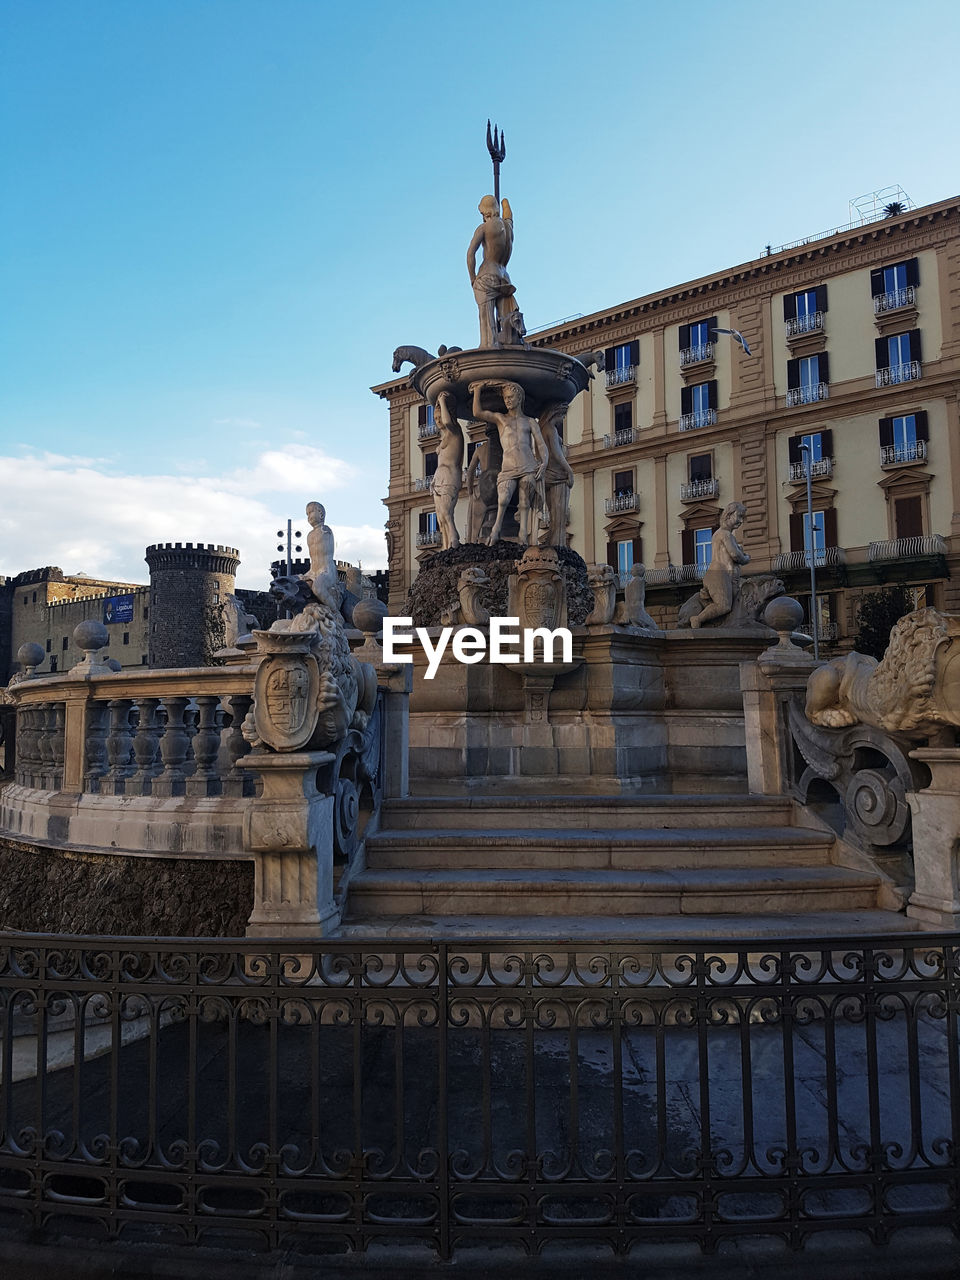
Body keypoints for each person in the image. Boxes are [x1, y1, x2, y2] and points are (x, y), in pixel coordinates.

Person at [470, 381, 546, 546]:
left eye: (511, 397)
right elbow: (477, 412)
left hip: (528, 466)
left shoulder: (530, 421)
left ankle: (523, 536)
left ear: (519, 398)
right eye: (505, 398)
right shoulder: (500, 419)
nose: (508, 401)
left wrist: (544, 461)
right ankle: (496, 528)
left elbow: (540, 443)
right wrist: (478, 390)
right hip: (508, 467)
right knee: (503, 499)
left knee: (525, 502)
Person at [466, 195, 522, 348]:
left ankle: (488, 350)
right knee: (505, 320)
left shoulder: (484, 228)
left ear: (486, 212)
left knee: (487, 322)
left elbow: (470, 253)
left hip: (487, 277)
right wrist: (504, 202)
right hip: (504, 278)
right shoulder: (508, 227)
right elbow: (509, 215)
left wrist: (473, 278)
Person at [689, 501, 750, 628]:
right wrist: (745, 558)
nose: (740, 521)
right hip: (719, 574)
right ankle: (697, 619)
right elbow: (735, 555)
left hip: (726, 576)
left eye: (742, 518)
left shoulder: (726, 534)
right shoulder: (724, 534)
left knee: (736, 606)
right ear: (728, 515)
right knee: (724, 605)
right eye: (739, 516)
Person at [536, 403, 574, 547]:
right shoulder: (550, 429)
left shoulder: (540, 430)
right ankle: (558, 547)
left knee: (553, 512)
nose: (563, 418)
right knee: (559, 513)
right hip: (558, 474)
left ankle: (551, 543)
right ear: (554, 413)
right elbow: (557, 453)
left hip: (546, 474)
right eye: (562, 415)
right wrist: (569, 470)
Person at [432, 393, 464, 550]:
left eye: (439, 418)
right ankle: (446, 546)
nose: (438, 422)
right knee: (440, 516)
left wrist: (442, 401)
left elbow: (447, 421)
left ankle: (454, 538)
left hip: (450, 476)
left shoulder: (454, 431)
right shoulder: (444, 436)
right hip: (439, 478)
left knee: (446, 511)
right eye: (436, 419)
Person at [303, 501, 341, 611]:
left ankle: (335, 612)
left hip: (327, 570)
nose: (308, 516)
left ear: (321, 514)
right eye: (307, 514)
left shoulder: (325, 530)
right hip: (313, 571)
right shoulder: (309, 535)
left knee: (318, 588)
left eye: (311, 512)